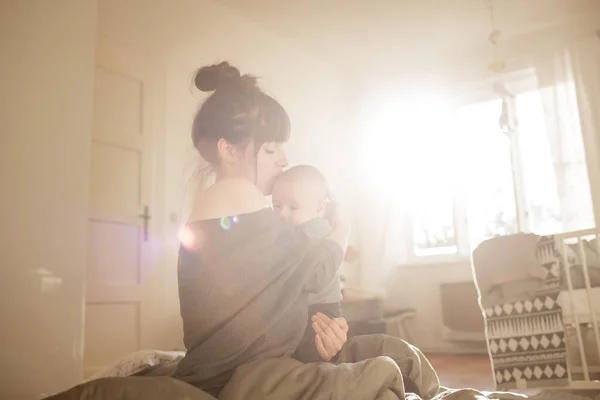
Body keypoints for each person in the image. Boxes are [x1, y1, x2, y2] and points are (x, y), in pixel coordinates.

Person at [173, 62, 351, 397]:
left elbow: (279, 294)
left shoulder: (235, 204)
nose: (283, 159)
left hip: (254, 370)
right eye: (270, 148)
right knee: (384, 371)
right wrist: (341, 226)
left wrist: (323, 335)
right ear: (229, 150)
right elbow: (312, 266)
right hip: (233, 378)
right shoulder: (240, 192)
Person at [271, 165, 344, 362]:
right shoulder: (293, 229)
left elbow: (316, 276)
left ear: (320, 208)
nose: (283, 213)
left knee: (313, 353)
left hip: (319, 310)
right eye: (276, 205)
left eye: (293, 207)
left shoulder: (312, 230)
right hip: (310, 306)